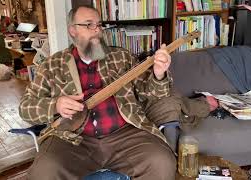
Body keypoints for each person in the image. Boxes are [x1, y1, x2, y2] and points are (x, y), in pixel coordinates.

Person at [19, 5, 176, 180]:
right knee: (44, 171)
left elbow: (153, 94)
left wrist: (159, 73)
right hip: (72, 140)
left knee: (162, 162)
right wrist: (55, 105)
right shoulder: (51, 65)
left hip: (125, 135)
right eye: (89, 25)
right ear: (73, 31)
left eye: (99, 25)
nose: (97, 31)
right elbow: (26, 108)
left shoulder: (122, 57)